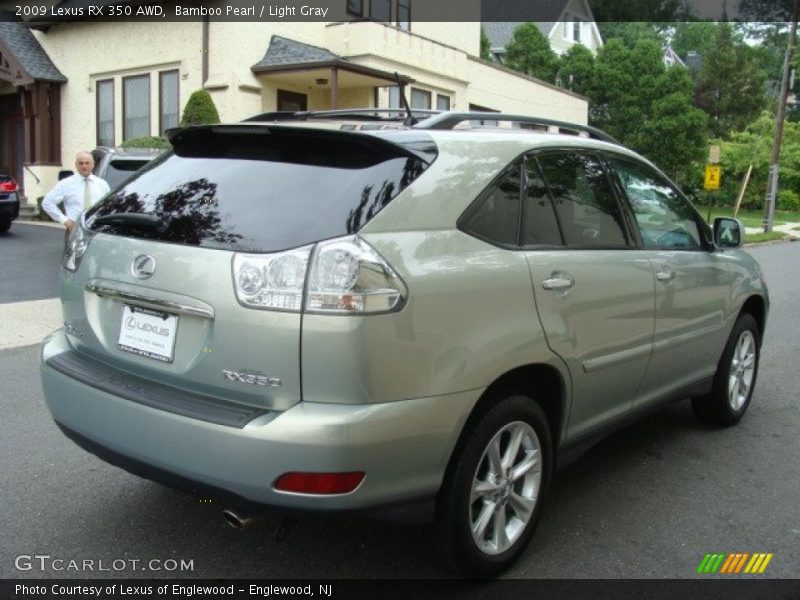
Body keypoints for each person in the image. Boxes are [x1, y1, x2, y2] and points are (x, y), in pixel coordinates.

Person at [42, 151, 110, 241]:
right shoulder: (66, 184)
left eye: (87, 163)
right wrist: (64, 220)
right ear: (76, 165)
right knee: (73, 255)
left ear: (93, 165)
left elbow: (108, 205)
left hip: (98, 230)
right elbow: (47, 202)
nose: (84, 166)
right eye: (81, 163)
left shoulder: (102, 184)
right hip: (75, 229)